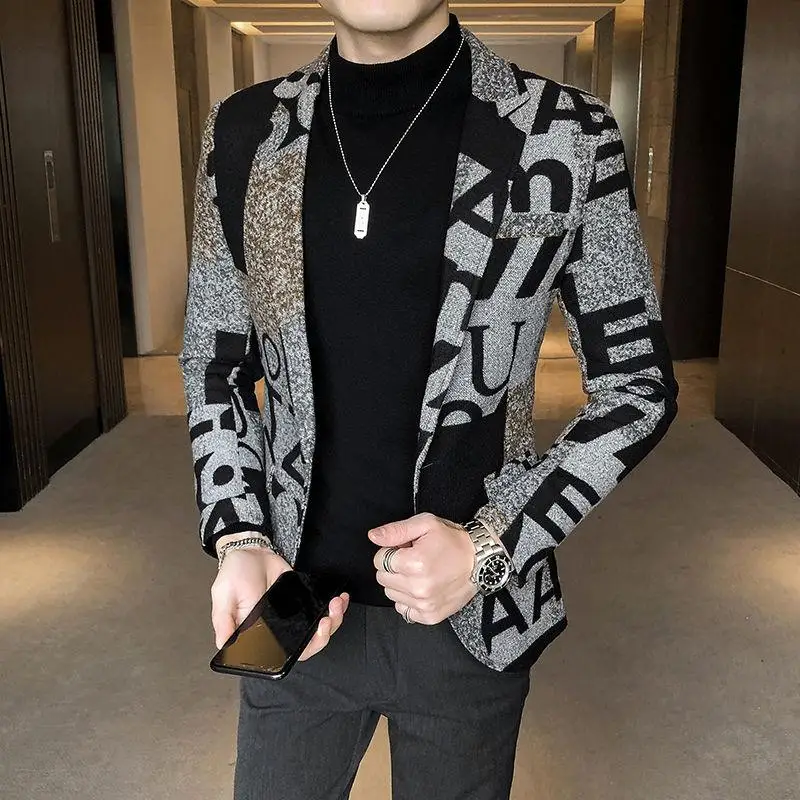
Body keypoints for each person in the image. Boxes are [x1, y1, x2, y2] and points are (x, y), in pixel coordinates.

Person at [178, 2, 679, 798]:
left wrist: (491, 546)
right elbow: (215, 362)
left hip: (471, 620)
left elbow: (637, 384)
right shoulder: (243, 131)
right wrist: (238, 533)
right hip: (291, 601)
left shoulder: (567, 133)